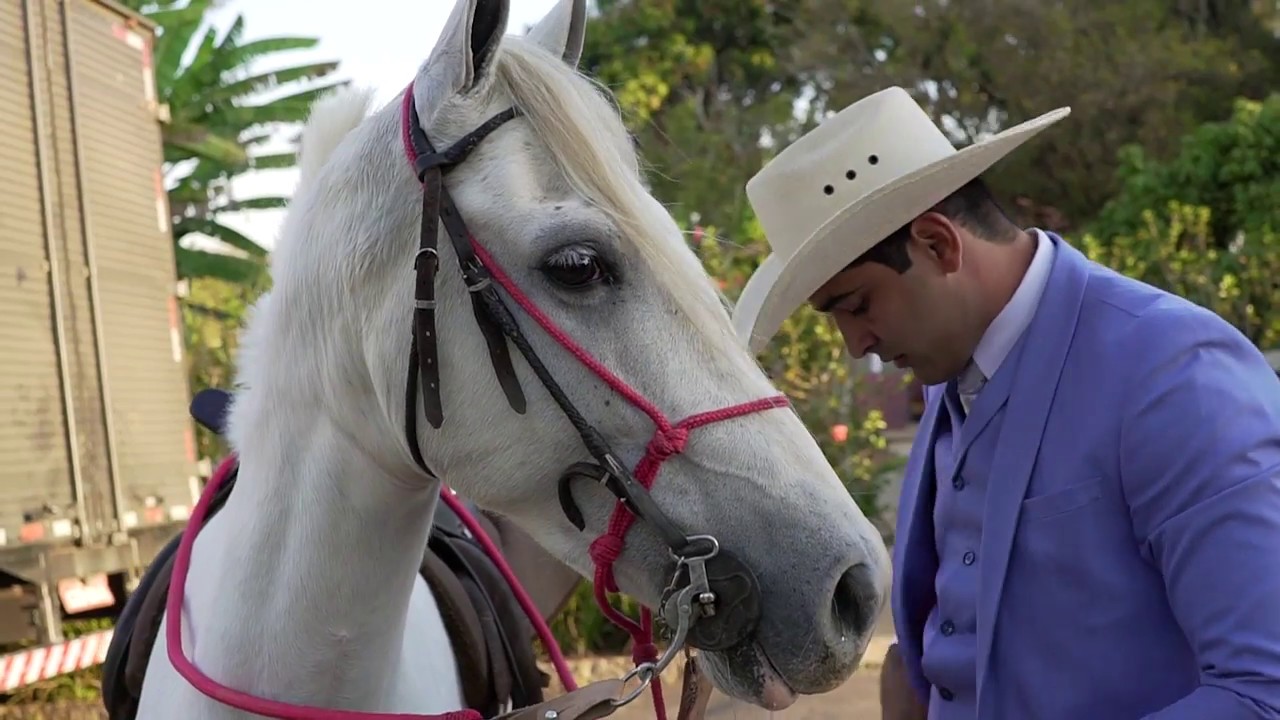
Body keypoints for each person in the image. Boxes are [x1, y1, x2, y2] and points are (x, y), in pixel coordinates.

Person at [730, 86, 1280, 719]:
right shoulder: (950, 380)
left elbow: (1263, 689)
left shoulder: (1174, 374)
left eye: (857, 305)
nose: (856, 346)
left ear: (938, 245)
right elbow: (932, 644)